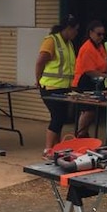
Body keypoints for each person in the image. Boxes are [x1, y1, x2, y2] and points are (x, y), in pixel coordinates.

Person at [35, 15, 79, 157]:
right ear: (68, 28)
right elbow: (40, 62)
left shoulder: (69, 44)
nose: (76, 34)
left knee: (61, 118)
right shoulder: (52, 41)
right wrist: (38, 80)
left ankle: (56, 147)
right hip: (50, 88)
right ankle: (48, 149)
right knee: (57, 117)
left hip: (64, 88)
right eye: (75, 30)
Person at [72, 20, 107, 138]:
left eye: (103, 34)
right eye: (99, 34)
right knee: (87, 111)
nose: (101, 37)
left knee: (92, 111)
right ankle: (81, 134)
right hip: (84, 82)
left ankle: (83, 133)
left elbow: (104, 63)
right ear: (91, 33)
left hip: (95, 82)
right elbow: (89, 71)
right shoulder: (87, 48)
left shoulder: (99, 46)